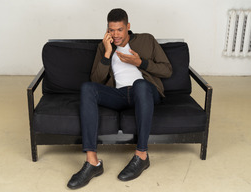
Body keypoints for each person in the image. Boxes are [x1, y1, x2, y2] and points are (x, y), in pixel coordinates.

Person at [67, 8, 172, 189]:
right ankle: (92, 163)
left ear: (128, 27)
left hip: (146, 92)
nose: (115, 35)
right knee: (87, 88)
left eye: (119, 30)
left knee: (139, 85)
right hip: (120, 94)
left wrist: (140, 63)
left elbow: (167, 70)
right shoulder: (104, 46)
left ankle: (141, 156)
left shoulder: (147, 39)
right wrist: (107, 53)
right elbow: (96, 80)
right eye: (111, 30)